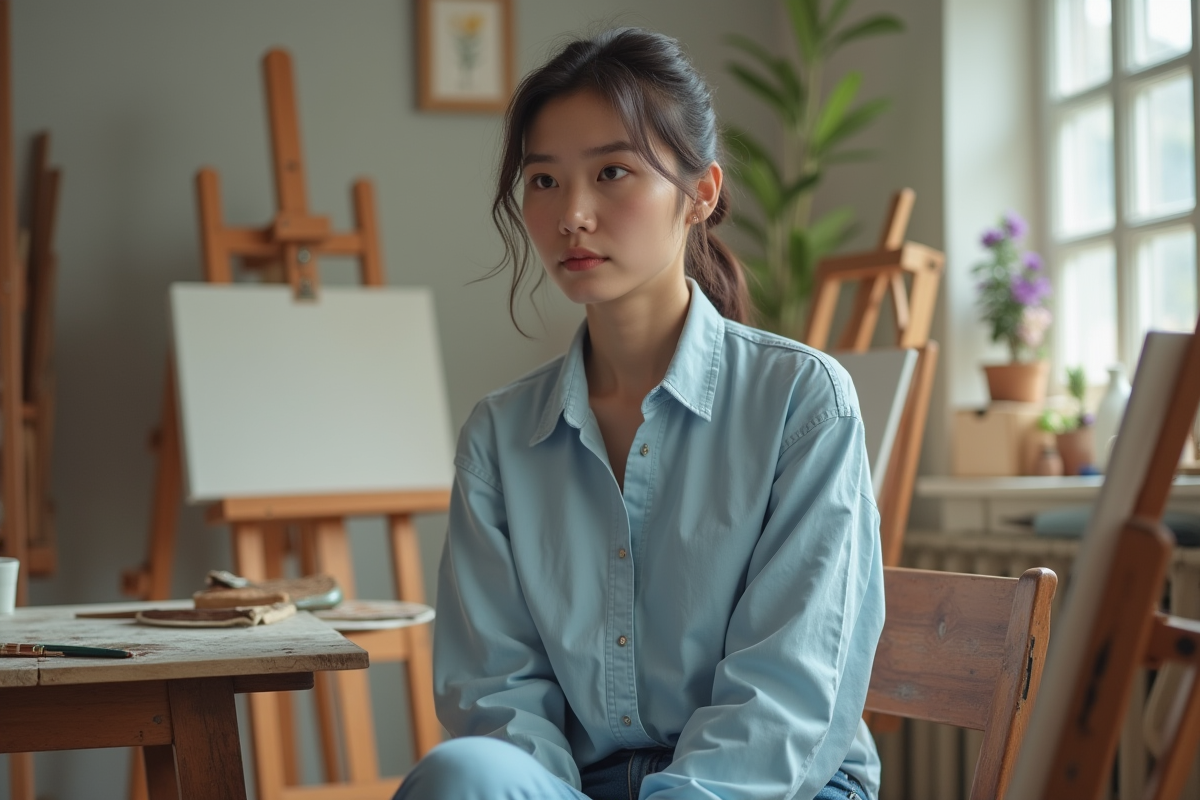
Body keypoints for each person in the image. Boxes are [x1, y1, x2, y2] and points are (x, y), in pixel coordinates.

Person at [393, 27, 884, 800]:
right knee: (462, 775)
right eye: (544, 181)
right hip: (578, 789)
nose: (572, 215)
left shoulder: (801, 402)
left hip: (773, 789)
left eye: (612, 172)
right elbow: (497, 695)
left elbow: (788, 697)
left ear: (702, 194)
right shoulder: (499, 437)